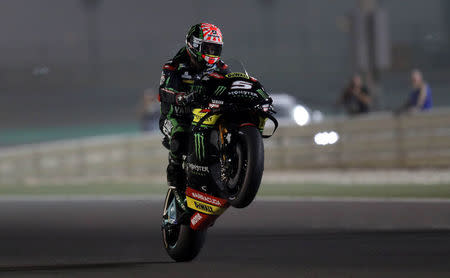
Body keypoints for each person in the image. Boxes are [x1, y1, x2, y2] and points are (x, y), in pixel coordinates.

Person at [158, 23, 230, 193]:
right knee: (179, 137)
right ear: (194, 45)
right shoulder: (173, 66)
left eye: (215, 49)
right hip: (175, 116)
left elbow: (229, 86)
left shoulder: (222, 68)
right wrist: (181, 97)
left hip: (206, 115)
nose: (212, 53)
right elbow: (164, 92)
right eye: (208, 48)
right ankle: (174, 166)